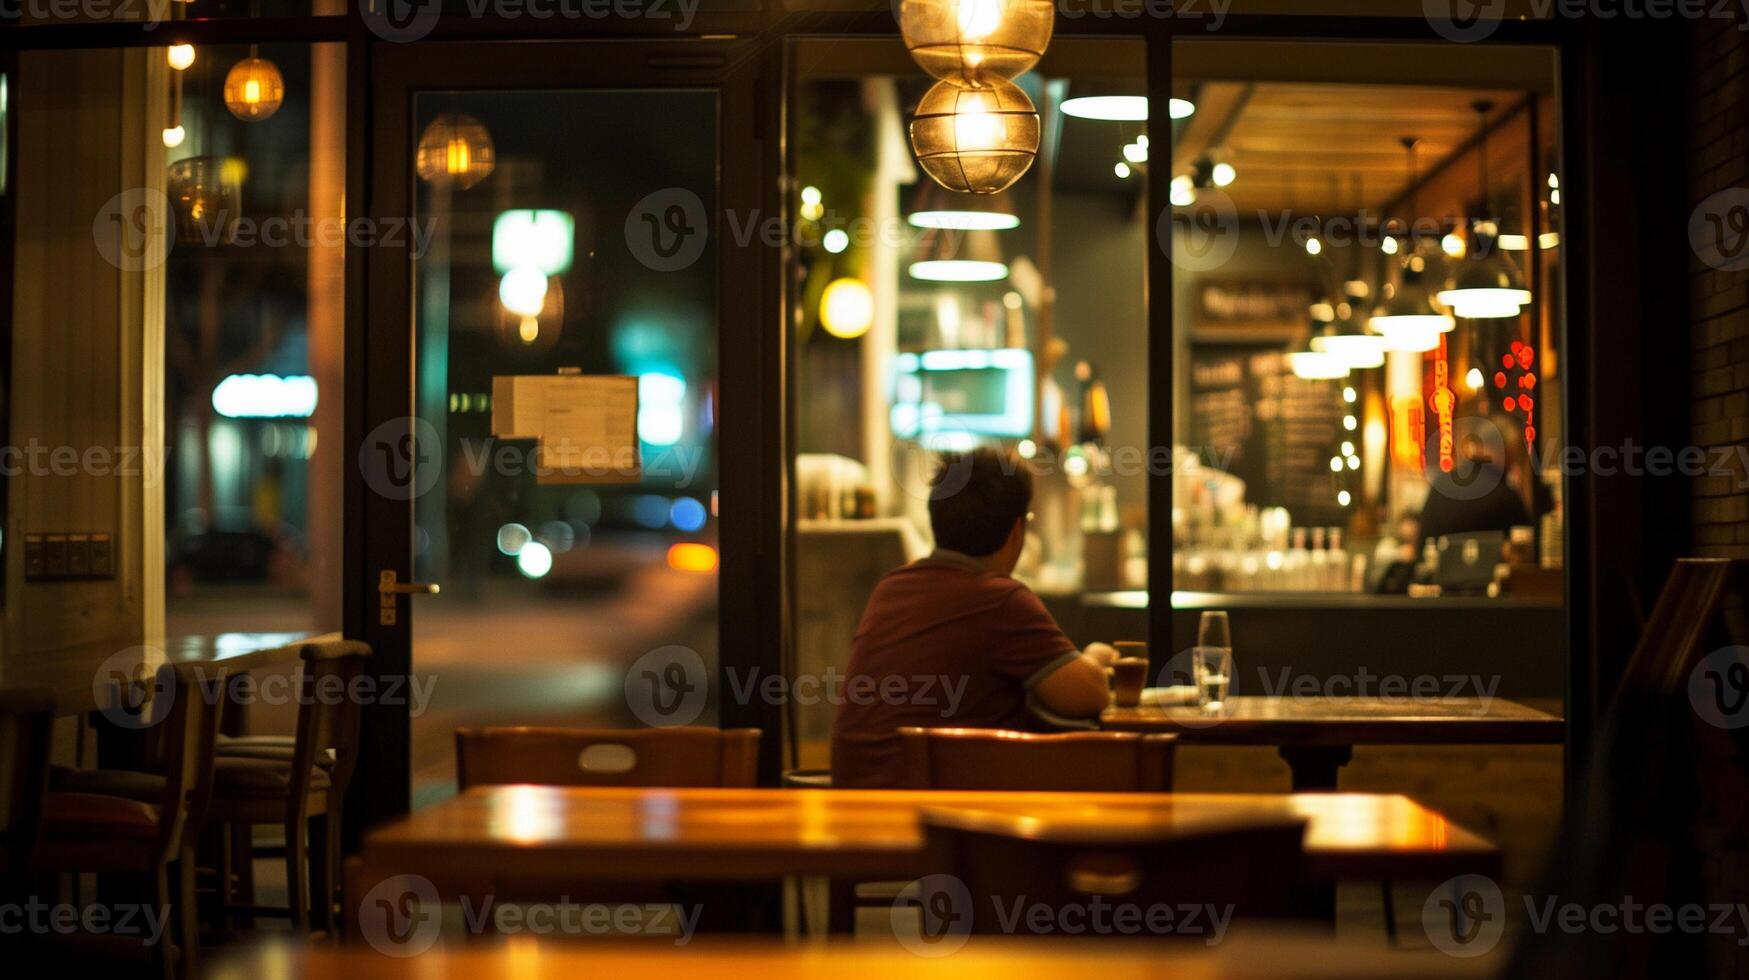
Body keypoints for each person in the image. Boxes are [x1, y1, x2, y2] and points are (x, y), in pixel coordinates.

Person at [829, 448, 1118, 789]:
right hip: (929, 813)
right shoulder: (1001, 599)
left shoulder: (891, 588)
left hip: (854, 800)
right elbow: (1088, 697)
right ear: (1016, 531)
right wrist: (1096, 658)